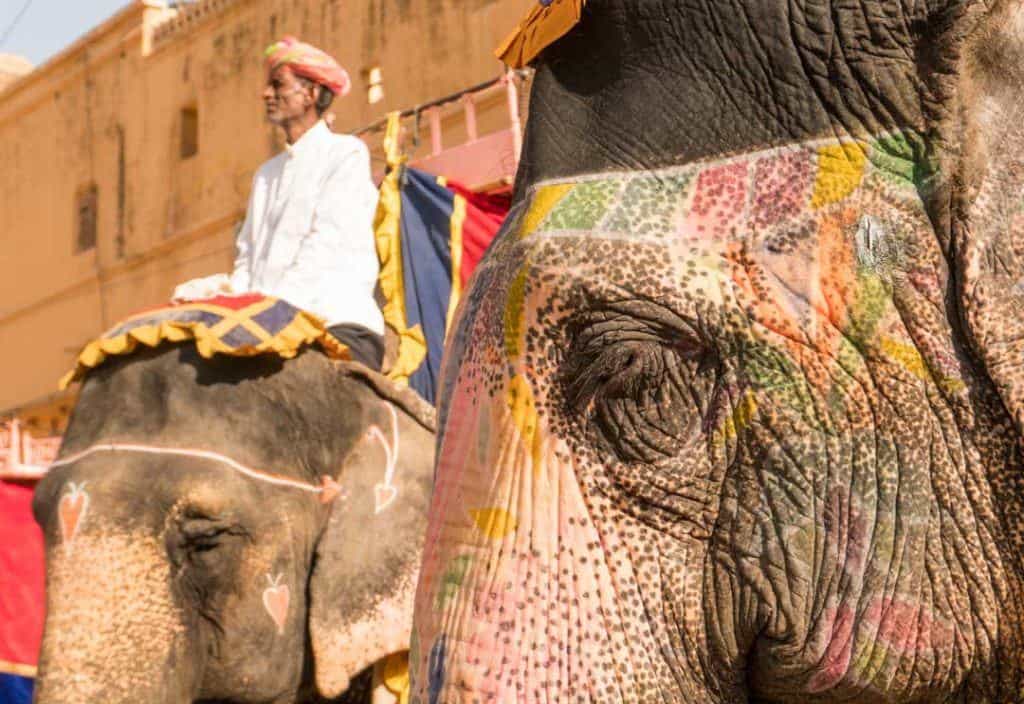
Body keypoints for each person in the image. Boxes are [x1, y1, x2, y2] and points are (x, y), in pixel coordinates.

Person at [173, 36, 385, 370]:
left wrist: (270, 312)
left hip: (334, 323)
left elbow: (323, 248)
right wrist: (219, 294)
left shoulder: (345, 154)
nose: (266, 94)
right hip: (269, 327)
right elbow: (248, 266)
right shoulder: (265, 176)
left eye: (278, 84)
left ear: (312, 93)